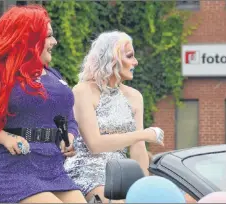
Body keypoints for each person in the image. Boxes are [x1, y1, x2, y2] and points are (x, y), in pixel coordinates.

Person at [0, 5, 86, 203]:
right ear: (28, 39)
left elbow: (68, 119)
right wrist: (2, 137)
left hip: (51, 169)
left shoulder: (54, 76)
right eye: (48, 36)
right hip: (4, 170)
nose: (54, 42)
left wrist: (69, 136)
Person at [64, 31, 165, 203]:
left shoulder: (135, 97)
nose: (136, 62)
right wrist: (144, 134)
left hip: (121, 173)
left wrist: (144, 188)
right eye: (130, 56)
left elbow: (138, 149)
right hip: (87, 171)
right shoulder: (82, 91)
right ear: (113, 58)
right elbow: (95, 145)